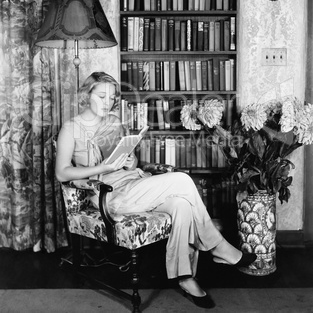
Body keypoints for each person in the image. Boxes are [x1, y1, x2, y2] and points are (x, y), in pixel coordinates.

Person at [55, 71, 256, 309]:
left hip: (134, 183)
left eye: (111, 98)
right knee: (181, 180)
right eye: (101, 96)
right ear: (86, 95)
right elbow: (62, 173)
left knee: (182, 205)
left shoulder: (114, 122)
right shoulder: (71, 128)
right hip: (110, 195)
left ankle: (185, 277)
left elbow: (129, 158)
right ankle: (218, 246)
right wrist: (102, 167)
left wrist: (131, 161)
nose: (107, 103)